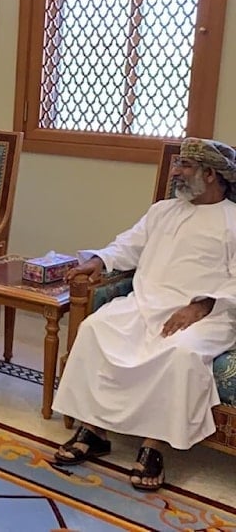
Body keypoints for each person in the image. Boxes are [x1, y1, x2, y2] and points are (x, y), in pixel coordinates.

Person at [51, 138, 236, 492]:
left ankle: (153, 445)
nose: (175, 172)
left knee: (180, 353)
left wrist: (201, 306)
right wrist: (97, 261)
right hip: (146, 302)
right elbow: (128, 245)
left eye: (184, 166)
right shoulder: (163, 211)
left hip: (210, 314)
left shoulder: (233, 220)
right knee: (96, 328)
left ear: (210, 174)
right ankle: (94, 429)